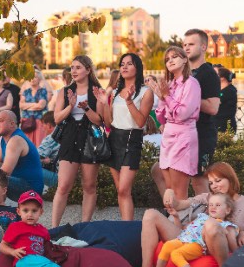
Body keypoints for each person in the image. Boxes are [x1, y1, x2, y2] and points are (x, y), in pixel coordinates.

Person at [137, 162, 244, 267]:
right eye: (211, 183)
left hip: (213, 244)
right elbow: (180, 204)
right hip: (191, 238)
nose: (214, 186)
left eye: (218, 181)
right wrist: (170, 194)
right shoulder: (207, 197)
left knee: (211, 225)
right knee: (150, 214)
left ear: (230, 178)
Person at [151, 193, 238, 267]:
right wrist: (176, 217)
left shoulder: (226, 225)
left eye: (218, 205)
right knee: (167, 245)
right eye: (211, 205)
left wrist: (236, 253)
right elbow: (183, 230)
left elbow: (232, 245)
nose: (213, 207)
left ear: (227, 210)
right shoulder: (202, 217)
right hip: (183, 239)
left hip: (198, 244)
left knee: (176, 254)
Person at [96, 53, 153, 221]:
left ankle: (127, 228)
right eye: (122, 64)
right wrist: (104, 103)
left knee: (123, 189)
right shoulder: (114, 92)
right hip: (114, 138)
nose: (124, 67)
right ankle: (124, 226)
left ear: (138, 67)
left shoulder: (146, 92)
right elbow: (109, 121)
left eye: (129, 63)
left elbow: (141, 121)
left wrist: (129, 101)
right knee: (120, 191)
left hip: (132, 139)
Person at [51, 55, 104, 228]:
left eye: (78, 67)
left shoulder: (97, 91)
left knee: (89, 185)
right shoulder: (65, 91)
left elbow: (99, 120)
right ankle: (54, 227)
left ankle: (84, 226)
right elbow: (57, 118)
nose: (74, 71)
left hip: (90, 139)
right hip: (70, 138)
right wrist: (70, 106)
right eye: (72, 67)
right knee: (63, 185)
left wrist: (86, 108)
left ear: (88, 70)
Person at [0, 190, 81, 267]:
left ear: (41, 212)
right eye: (25, 210)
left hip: (36, 262)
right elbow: (2, 245)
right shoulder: (16, 227)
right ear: (18, 212)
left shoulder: (43, 230)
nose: (30, 214)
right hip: (24, 259)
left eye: (34, 211)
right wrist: (12, 252)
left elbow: (48, 246)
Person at [148, 46, 201, 201]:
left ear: (184, 59)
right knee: (170, 189)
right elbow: (161, 118)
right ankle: (173, 215)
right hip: (168, 136)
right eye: (167, 59)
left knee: (179, 192)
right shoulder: (169, 85)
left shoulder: (191, 83)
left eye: (174, 57)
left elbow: (183, 114)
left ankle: (182, 216)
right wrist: (161, 97)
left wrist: (166, 97)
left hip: (183, 136)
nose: (170, 61)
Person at [183, 29, 221, 194]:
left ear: (203, 47)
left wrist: (187, 97)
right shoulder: (185, 73)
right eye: (184, 44)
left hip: (203, 135)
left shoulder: (209, 73)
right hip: (184, 134)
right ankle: (180, 208)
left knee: (199, 180)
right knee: (161, 171)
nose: (186, 48)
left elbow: (213, 108)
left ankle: (208, 211)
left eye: (191, 44)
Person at [0, 110, 43, 201]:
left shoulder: (16, 140)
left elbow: (6, 171)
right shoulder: (2, 139)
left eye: (1, 121)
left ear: (12, 124)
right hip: (19, 182)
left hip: (31, 188)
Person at [19, 71, 48, 146]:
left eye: (35, 77)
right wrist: (35, 104)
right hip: (27, 121)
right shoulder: (25, 92)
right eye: (30, 77)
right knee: (27, 145)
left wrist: (27, 106)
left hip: (39, 121)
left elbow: (41, 106)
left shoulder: (43, 91)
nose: (32, 79)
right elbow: (21, 105)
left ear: (39, 79)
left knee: (39, 143)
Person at [37, 111, 60, 188]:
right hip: (72, 177)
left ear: (49, 125)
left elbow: (35, 157)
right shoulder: (66, 134)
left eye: (42, 125)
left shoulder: (52, 138)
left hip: (59, 179)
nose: (42, 129)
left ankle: (30, 193)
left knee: (27, 168)